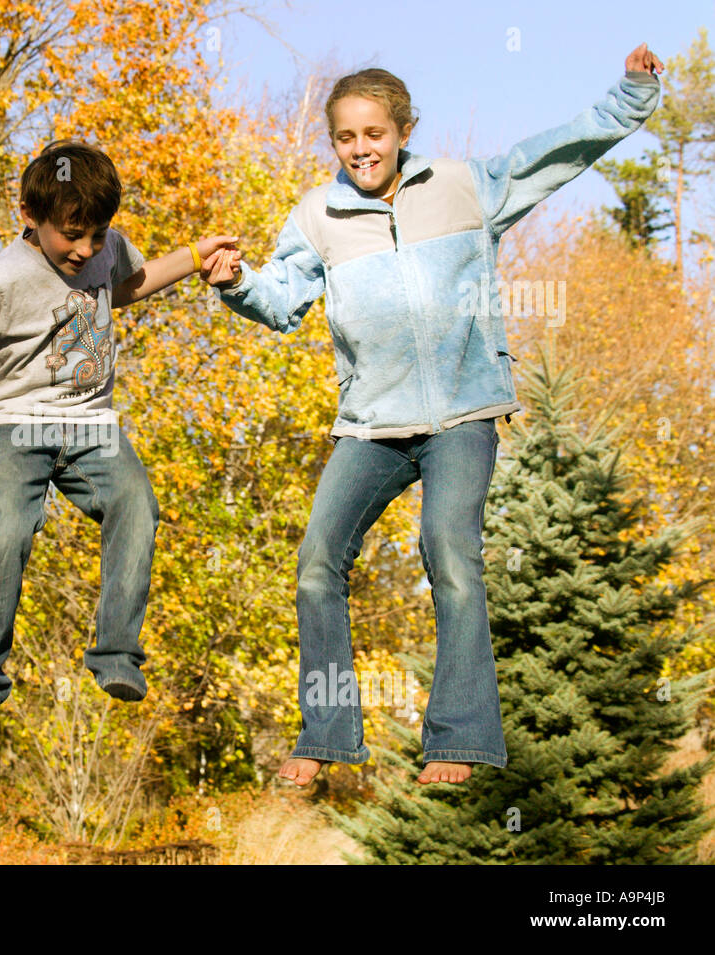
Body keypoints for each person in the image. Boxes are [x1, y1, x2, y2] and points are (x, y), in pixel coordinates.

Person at [202, 44, 664, 786]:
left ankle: (460, 737)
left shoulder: (461, 186)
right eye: (346, 138)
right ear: (335, 144)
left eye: (374, 134)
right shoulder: (317, 215)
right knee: (319, 562)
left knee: (448, 551)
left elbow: (558, 155)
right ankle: (326, 734)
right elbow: (280, 299)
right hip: (371, 424)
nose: (361, 149)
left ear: (403, 129)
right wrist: (234, 282)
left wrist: (632, 94)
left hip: (461, 413)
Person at [0, 140, 237, 723]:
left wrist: (196, 255)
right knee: (5, 527)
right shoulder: (1, 279)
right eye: (71, 235)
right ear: (30, 215)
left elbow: (128, 284)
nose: (85, 250)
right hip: (14, 426)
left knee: (136, 504)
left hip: (90, 423)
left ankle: (117, 655)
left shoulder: (106, 252)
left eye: (97, 235)